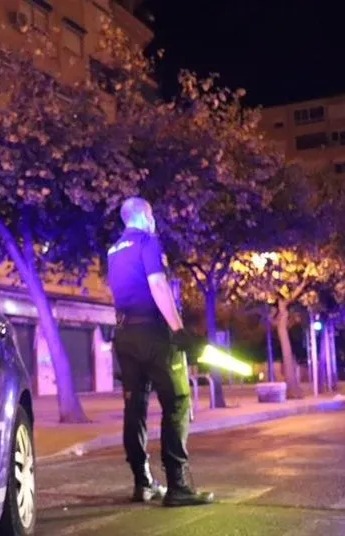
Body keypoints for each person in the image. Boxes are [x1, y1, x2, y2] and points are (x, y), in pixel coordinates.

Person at [106, 197, 214, 507]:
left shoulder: (113, 251)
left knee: (135, 410)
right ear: (143, 216)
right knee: (178, 402)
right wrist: (179, 331)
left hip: (125, 336)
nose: (154, 221)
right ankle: (178, 486)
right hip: (153, 334)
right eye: (152, 215)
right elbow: (158, 285)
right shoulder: (148, 241)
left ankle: (143, 483)